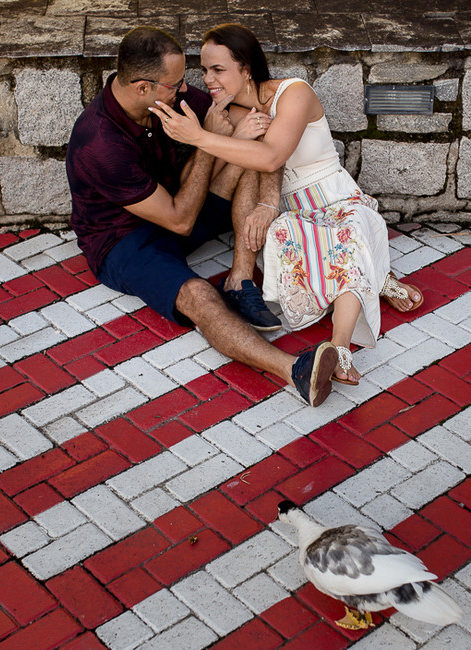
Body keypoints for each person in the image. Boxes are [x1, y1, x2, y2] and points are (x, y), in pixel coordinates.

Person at [64, 26, 339, 407]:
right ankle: (295, 369)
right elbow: (180, 221)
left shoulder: (166, 99)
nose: (185, 89)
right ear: (143, 87)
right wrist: (205, 140)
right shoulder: (100, 144)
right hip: (125, 242)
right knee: (198, 295)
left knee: (248, 146)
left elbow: (256, 122)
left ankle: (239, 278)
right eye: (175, 84)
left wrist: (245, 140)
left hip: (177, 209)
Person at [150, 23, 424, 387]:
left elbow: (271, 156)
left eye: (217, 69)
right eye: (204, 70)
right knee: (296, 240)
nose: (208, 79)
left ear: (246, 68)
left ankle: (339, 349)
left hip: (331, 195)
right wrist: (210, 135)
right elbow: (203, 178)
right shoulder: (227, 114)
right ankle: (375, 276)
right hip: (288, 208)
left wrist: (199, 135)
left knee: (346, 231)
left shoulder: (294, 93)